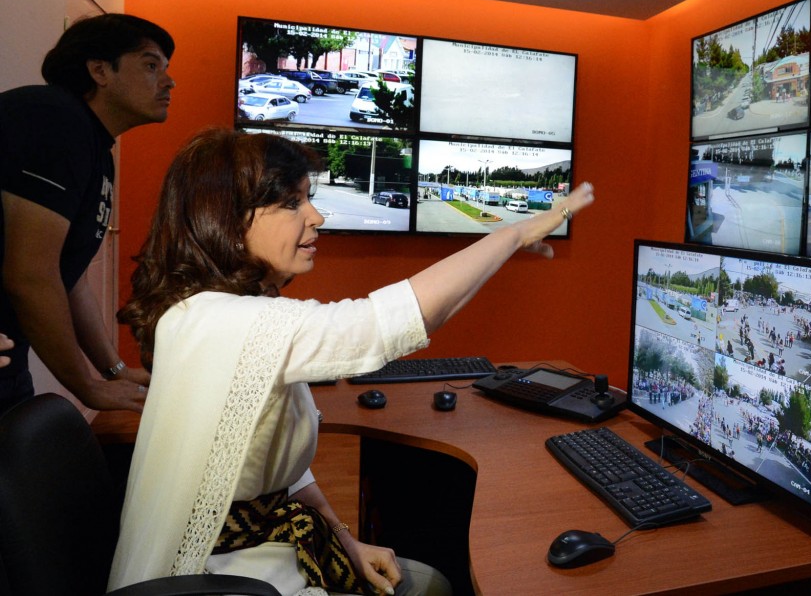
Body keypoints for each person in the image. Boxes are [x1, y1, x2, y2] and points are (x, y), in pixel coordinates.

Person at [109, 128, 595, 595]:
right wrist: (510, 236)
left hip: (257, 558)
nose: (316, 217)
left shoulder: (207, 312)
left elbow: (282, 472)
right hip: (223, 579)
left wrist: (346, 538)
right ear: (228, 220)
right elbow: (386, 324)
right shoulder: (227, 322)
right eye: (293, 203)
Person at [0, 13, 175, 415]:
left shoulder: (93, 144)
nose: (168, 81)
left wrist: (112, 370)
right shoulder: (55, 119)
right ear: (99, 70)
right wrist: (86, 387)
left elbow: (68, 274)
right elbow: (30, 274)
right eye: (151, 65)